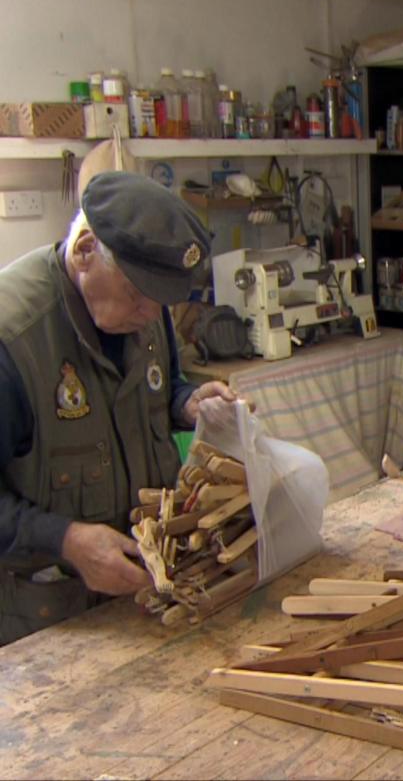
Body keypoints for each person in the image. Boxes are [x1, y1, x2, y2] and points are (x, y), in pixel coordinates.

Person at [0, 170, 236, 644]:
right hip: (46, 631)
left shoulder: (142, 312)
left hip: (145, 601)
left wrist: (187, 403)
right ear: (86, 249)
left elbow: (158, 390)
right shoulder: (13, 340)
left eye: (162, 302)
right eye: (137, 295)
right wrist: (65, 540)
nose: (151, 316)